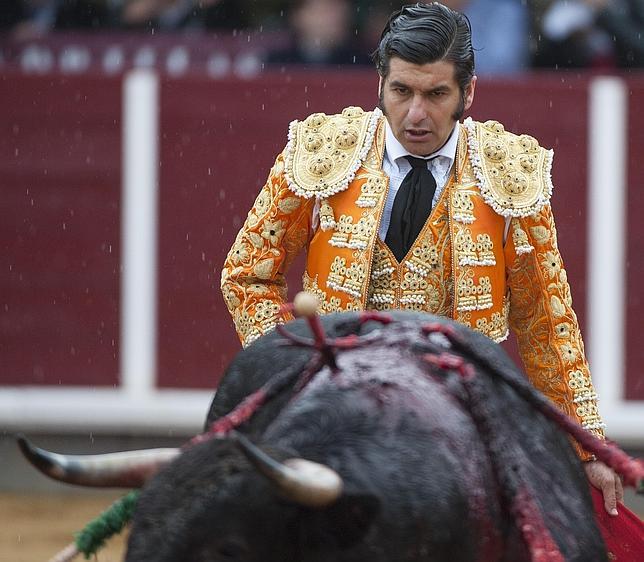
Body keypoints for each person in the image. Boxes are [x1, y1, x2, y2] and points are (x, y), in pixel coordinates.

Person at [220, 1, 621, 515]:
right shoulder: (323, 150)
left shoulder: (508, 171)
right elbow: (248, 274)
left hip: (460, 415)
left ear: (467, 93)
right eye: (402, 91)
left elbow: (546, 320)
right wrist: (301, 366)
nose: (415, 114)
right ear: (380, 85)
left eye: (435, 95)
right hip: (336, 406)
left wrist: (587, 446)